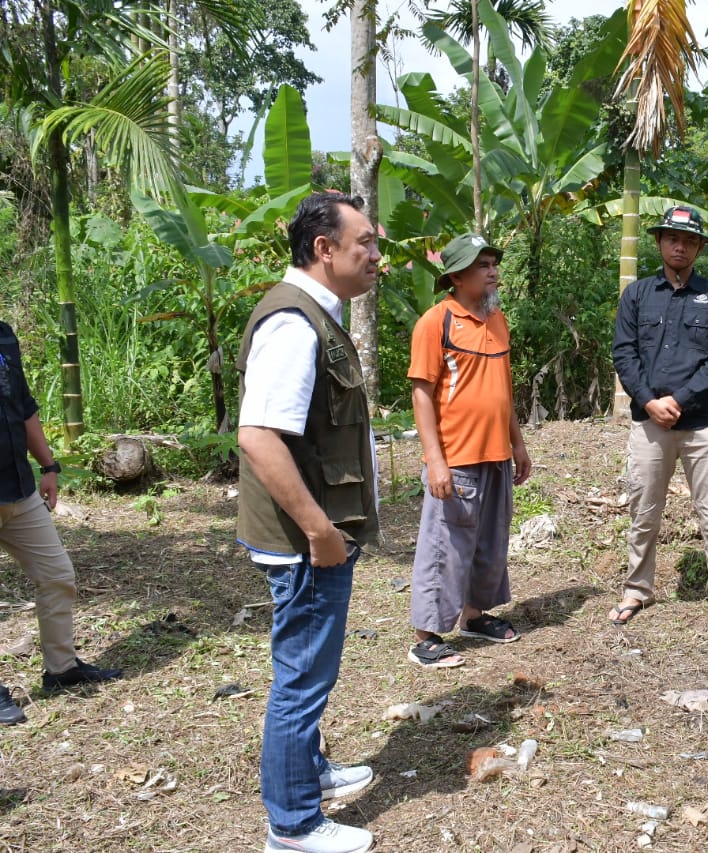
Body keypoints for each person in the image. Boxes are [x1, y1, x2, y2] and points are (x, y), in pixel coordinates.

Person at [236, 192, 381, 853]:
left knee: (309, 670)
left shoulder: (317, 316)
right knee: (300, 677)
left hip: (314, 537)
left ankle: (310, 772)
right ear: (324, 250)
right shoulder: (294, 324)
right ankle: (292, 824)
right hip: (306, 544)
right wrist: (321, 531)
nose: (377, 256)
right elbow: (260, 436)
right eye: (365, 245)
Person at [609, 206, 708, 628]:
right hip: (649, 424)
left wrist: (678, 400)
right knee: (643, 512)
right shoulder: (637, 295)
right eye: (671, 238)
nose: (679, 245)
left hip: (704, 424)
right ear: (659, 243)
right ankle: (636, 590)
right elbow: (624, 354)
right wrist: (649, 401)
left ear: (700, 246)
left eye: (688, 240)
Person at [405, 233, 531, 670]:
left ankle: (475, 616)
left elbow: (503, 389)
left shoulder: (498, 320)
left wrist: (518, 443)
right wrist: (435, 460)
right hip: (455, 456)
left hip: (495, 453)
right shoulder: (435, 322)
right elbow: (422, 394)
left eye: (494, 262)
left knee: (489, 541)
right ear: (457, 276)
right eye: (483, 265)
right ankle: (426, 637)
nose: (493, 270)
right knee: (446, 545)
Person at [0, 321, 123, 726]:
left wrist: (48, 465)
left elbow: (24, 407)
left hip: (18, 488)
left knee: (56, 575)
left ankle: (61, 669)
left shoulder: (4, 337)